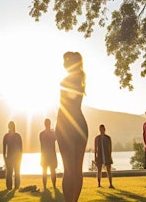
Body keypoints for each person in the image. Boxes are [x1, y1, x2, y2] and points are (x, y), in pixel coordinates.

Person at [55, 51, 88, 202]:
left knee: (69, 170)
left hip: (67, 126)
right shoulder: (81, 79)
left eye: (65, 60)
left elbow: (64, 107)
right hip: (80, 125)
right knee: (76, 171)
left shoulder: (68, 79)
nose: (63, 63)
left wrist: (59, 127)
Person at [3, 121, 23, 190]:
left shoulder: (17, 136)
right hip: (10, 157)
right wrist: (5, 158)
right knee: (9, 173)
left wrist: (20, 157)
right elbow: (4, 149)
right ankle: (9, 187)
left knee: (16, 172)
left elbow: (20, 148)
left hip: (16, 157)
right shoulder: (6, 136)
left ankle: (16, 187)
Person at [39, 118, 57, 189]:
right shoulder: (52, 134)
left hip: (44, 155)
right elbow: (56, 138)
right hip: (51, 155)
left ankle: (45, 186)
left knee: (45, 172)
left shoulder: (41, 134)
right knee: (52, 171)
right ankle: (54, 186)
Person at [94, 124, 114, 188]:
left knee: (108, 170)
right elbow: (95, 148)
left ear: (104, 129)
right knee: (99, 170)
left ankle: (110, 184)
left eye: (103, 129)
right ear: (99, 130)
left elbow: (110, 148)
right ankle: (99, 184)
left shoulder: (108, 138)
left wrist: (110, 156)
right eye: (100, 129)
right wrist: (95, 157)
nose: (102, 130)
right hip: (99, 156)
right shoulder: (97, 138)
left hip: (107, 155)